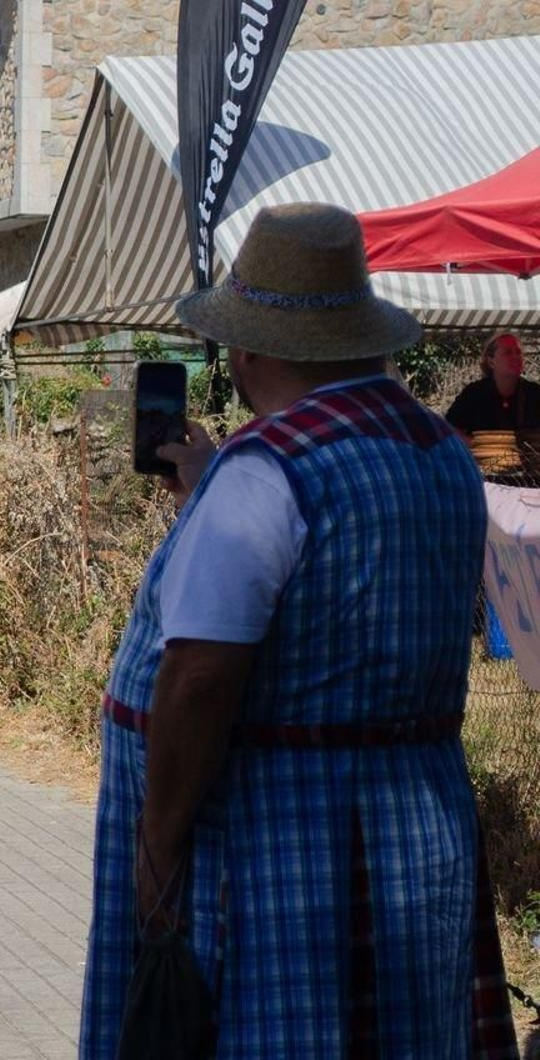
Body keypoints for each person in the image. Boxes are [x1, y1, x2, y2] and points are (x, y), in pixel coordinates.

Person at [80, 204, 516, 1058]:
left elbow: (200, 680)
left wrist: (160, 844)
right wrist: (210, 486)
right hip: (412, 848)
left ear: (245, 349)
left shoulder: (265, 474)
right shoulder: (439, 452)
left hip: (282, 858)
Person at [446, 332, 540, 437]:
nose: (516, 357)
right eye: (508, 352)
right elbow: (449, 428)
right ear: (491, 362)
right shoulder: (474, 394)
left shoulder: (534, 393)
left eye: (518, 352)